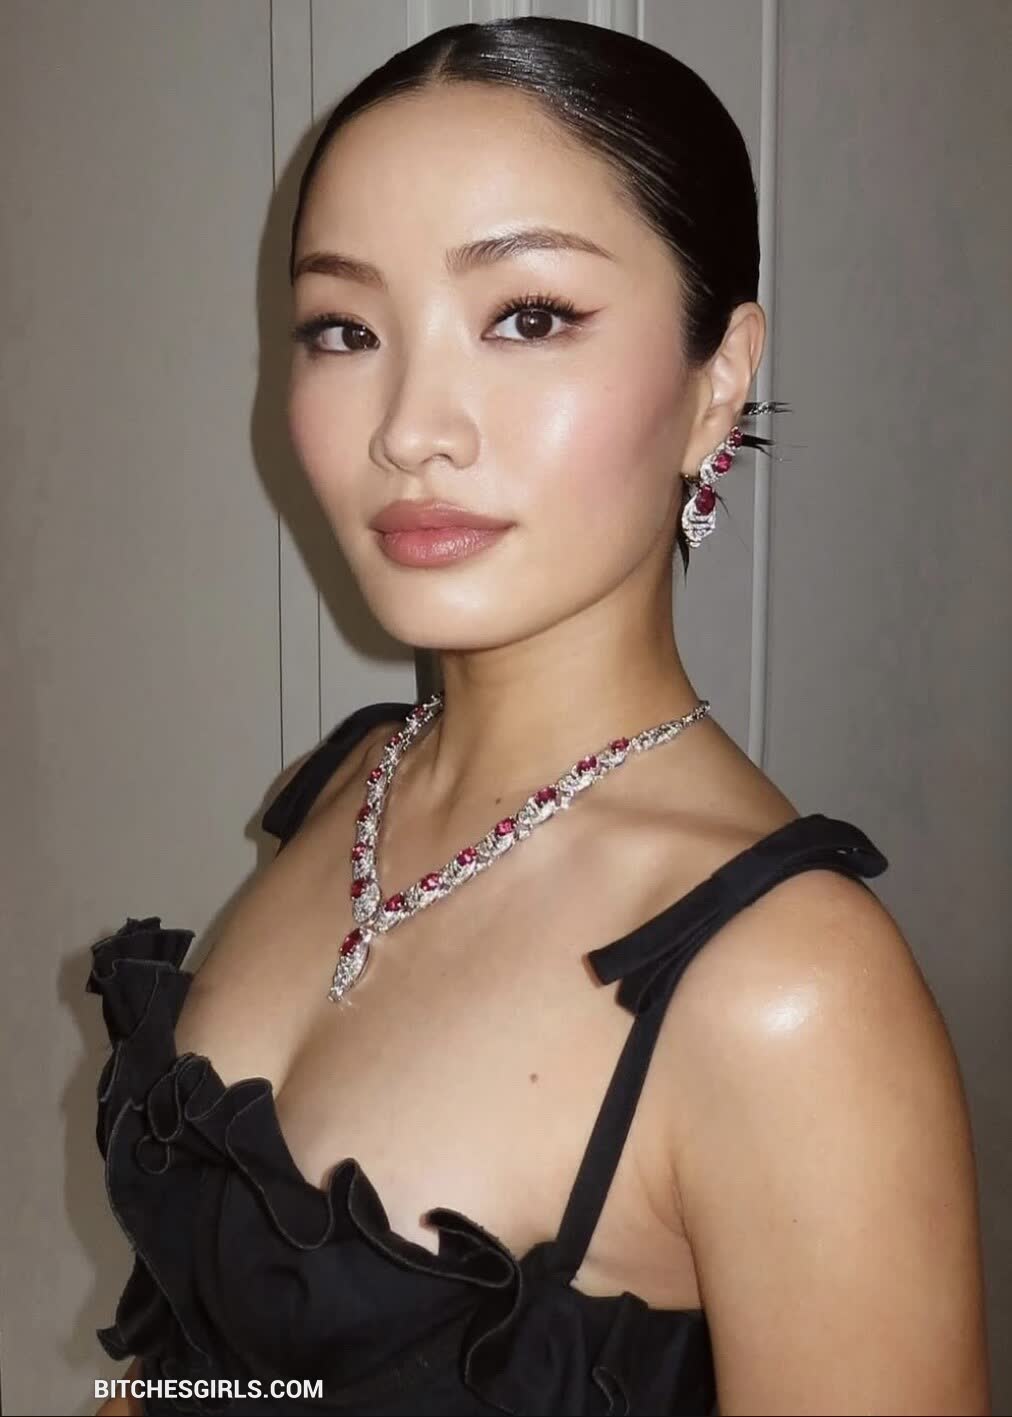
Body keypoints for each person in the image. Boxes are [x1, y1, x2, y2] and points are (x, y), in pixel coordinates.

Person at [89, 16, 990, 1416]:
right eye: (344, 329)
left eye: (527, 317)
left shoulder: (785, 994)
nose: (410, 427)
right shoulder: (345, 788)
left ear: (719, 379)